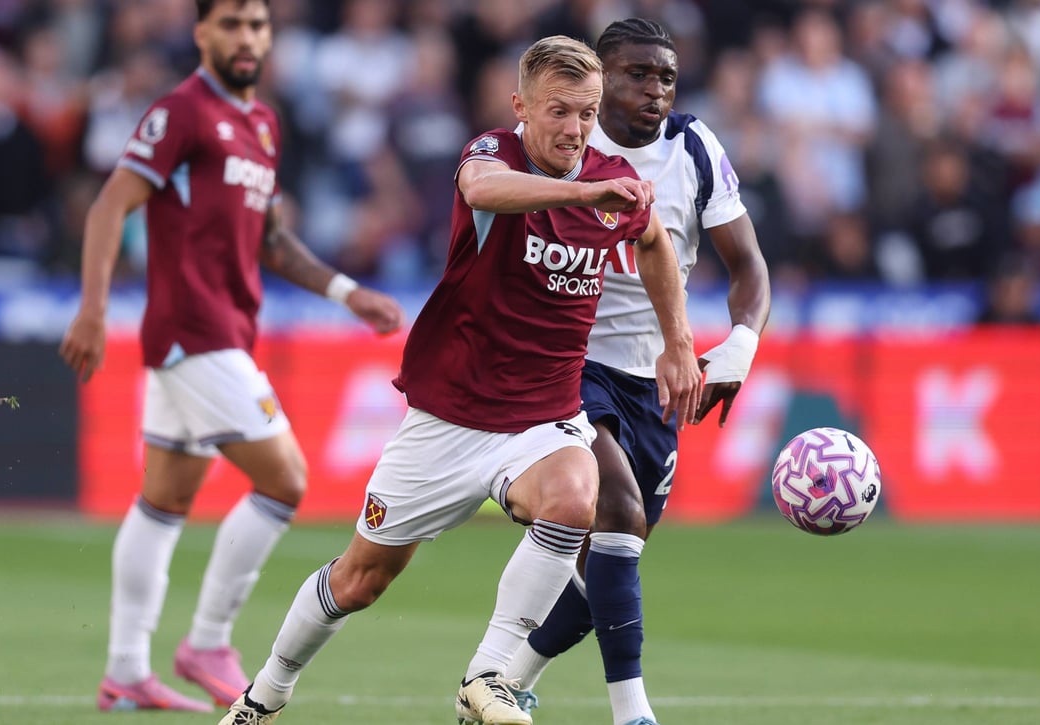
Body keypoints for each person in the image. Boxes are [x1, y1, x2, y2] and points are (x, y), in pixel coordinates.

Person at [216, 34, 703, 725]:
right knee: (360, 579)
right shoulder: (493, 155)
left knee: (575, 495)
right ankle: (268, 689)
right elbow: (482, 190)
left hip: (544, 414)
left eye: (587, 114)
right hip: (449, 417)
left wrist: (678, 341)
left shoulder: (607, 178)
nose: (574, 129)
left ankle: (488, 675)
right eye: (559, 111)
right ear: (520, 109)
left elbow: (651, 240)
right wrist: (587, 188)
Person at [58, 0, 403, 712]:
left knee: (164, 500)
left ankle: (125, 669)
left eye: (257, 25)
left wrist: (345, 291)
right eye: (232, 24)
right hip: (193, 331)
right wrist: (92, 308)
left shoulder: (262, 124)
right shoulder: (181, 111)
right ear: (202, 34)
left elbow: (270, 239)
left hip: (219, 333)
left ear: (270, 36)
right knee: (286, 479)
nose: (246, 38)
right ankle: (209, 640)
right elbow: (106, 207)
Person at [504, 19, 771, 725]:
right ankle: (633, 712)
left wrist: (739, 342)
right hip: (566, 364)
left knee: (612, 565)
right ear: (600, 76)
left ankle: (501, 679)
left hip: (654, 377)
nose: (653, 91)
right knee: (615, 512)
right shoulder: (566, 145)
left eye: (665, 78)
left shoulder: (695, 149)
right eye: (636, 75)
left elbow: (748, 268)